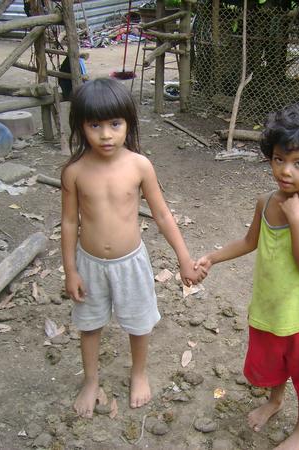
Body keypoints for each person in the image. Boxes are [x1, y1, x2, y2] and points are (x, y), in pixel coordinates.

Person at [196, 103, 299, 449]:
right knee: (276, 362)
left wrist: (294, 219)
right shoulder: (266, 201)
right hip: (270, 306)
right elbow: (249, 241)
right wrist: (213, 257)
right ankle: (275, 401)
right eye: (278, 159)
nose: (285, 171)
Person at [61, 78, 204, 418]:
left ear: (128, 124)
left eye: (115, 124)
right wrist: (70, 270)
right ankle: (91, 379)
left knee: (139, 323)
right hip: (90, 264)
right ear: (81, 126)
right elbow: (69, 223)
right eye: (95, 125)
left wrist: (184, 258)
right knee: (90, 324)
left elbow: (162, 214)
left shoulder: (140, 166)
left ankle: (138, 373)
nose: (106, 134)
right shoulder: (75, 172)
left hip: (131, 263)